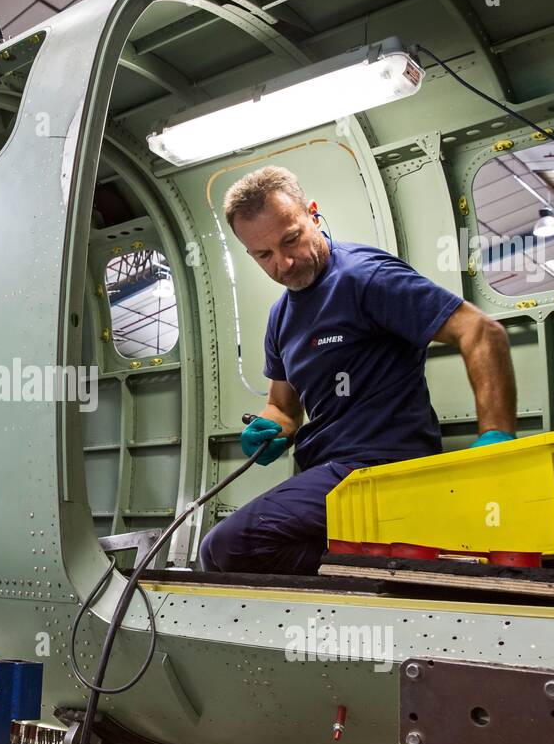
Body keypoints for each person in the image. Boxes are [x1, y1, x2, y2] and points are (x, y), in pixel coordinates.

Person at [199, 166, 517, 575]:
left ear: (313, 215)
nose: (285, 262)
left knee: (227, 548)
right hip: (328, 475)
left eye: (291, 239)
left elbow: (480, 330)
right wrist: (267, 430)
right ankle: (381, 566)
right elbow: (282, 408)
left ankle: (393, 564)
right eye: (265, 255)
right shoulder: (280, 317)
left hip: (384, 469)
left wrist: (496, 440)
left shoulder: (365, 276)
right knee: (230, 551)